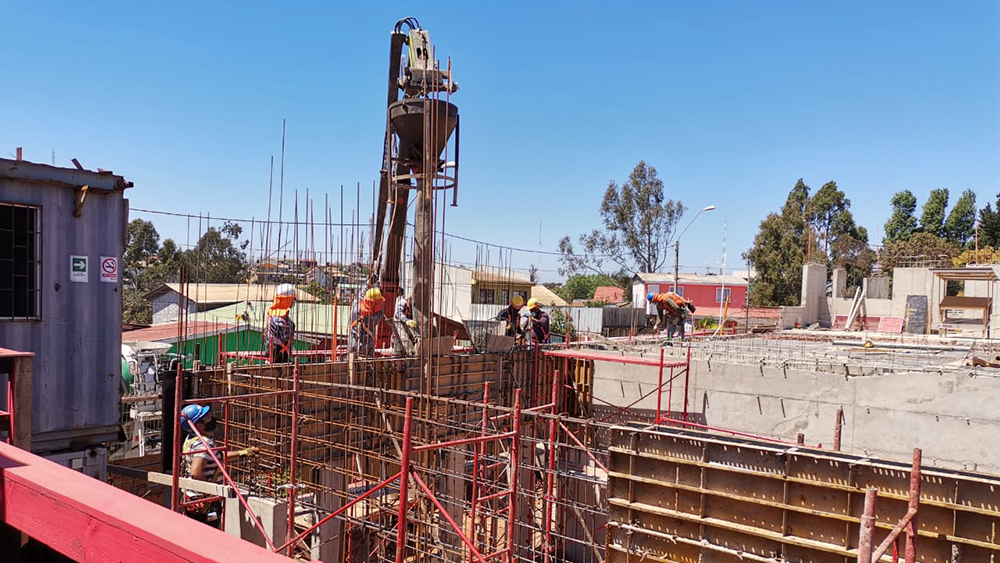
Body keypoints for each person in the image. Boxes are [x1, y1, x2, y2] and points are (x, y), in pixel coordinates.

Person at [180, 404, 258, 527]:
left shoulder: (193, 439)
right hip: (203, 502)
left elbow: (216, 456)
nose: (211, 417)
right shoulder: (203, 444)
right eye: (206, 416)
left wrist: (243, 453)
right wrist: (208, 493)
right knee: (208, 537)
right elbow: (196, 472)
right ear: (199, 425)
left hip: (194, 499)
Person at [349, 287, 386, 357]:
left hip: (352, 344)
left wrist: (368, 284)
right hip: (367, 348)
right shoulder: (377, 316)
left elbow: (361, 295)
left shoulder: (356, 306)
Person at [266, 283, 297, 363]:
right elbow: (285, 337)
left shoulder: (274, 314)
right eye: (293, 299)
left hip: (278, 354)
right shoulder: (278, 318)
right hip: (279, 356)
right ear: (288, 300)